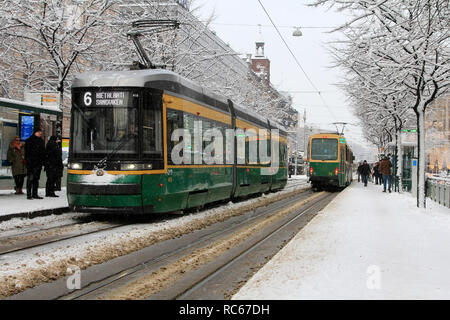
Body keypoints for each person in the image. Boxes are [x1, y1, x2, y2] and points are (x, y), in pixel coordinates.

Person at [25, 128, 46, 199]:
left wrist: (42, 161)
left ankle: (35, 193)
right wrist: (28, 162)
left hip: (38, 163)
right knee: (30, 179)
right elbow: (27, 153)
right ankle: (29, 194)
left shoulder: (41, 141)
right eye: (39, 132)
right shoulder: (29, 141)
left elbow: (43, 152)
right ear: (35, 132)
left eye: (40, 132)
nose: (40, 133)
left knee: (36, 179)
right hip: (31, 163)